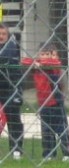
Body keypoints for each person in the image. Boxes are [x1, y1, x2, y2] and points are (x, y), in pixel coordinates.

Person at [21, 42, 69, 162]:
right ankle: (49, 154)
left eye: (47, 54)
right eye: (42, 54)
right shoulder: (37, 66)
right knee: (46, 130)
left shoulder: (54, 66)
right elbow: (24, 61)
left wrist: (41, 63)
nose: (44, 56)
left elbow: (56, 63)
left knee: (61, 129)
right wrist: (36, 63)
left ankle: (67, 153)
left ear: (52, 55)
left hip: (56, 103)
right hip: (43, 104)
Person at [0, 23, 24, 160]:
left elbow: (5, 59)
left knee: (14, 118)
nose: (1, 37)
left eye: (4, 34)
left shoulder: (12, 47)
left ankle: (16, 149)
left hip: (11, 88)